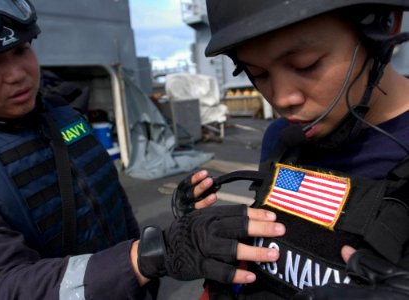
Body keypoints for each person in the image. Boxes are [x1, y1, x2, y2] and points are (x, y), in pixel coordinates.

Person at [0, 1, 288, 299]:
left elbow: (111, 199)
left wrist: (177, 227)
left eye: (21, 51)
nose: (16, 75)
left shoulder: (62, 114)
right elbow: (4, 286)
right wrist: (152, 255)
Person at [172, 0, 409, 299]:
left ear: (387, 24)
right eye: (257, 73)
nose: (282, 99)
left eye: (305, 64)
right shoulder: (281, 139)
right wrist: (216, 240)